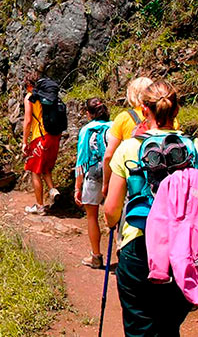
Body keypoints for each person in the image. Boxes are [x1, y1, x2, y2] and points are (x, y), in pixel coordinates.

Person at [101, 80, 198, 336]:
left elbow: (111, 210)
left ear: (145, 110)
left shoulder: (129, 148)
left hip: (138, 248)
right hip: (185, 250)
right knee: (169, 326)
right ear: (177, 110)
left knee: (139, 326)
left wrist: (112, 223)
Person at [74, 98, 112, 269]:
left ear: (88, 113)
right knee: (117, 216)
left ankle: (96, 257)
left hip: (92, 173)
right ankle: (120, 252)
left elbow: (81, 161)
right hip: (113, 173)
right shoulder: (114, 127)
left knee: (92, 216)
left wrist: (77, 187)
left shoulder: (86, 130)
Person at [102, 77, 152, 197]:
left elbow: (108, 156)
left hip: (131, 177)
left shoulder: (124, 118)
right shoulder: (166, 118)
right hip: (160, 177)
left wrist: (106, 183)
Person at [22, 71, 61, 215]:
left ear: (29, 85)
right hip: (54, 136)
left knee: (34, 171)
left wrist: (24, 142)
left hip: (40, 137)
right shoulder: (50, 96)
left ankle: (39, 206)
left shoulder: (30, 97)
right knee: (46, 167)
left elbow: (27, 121)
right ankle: (52, 189)